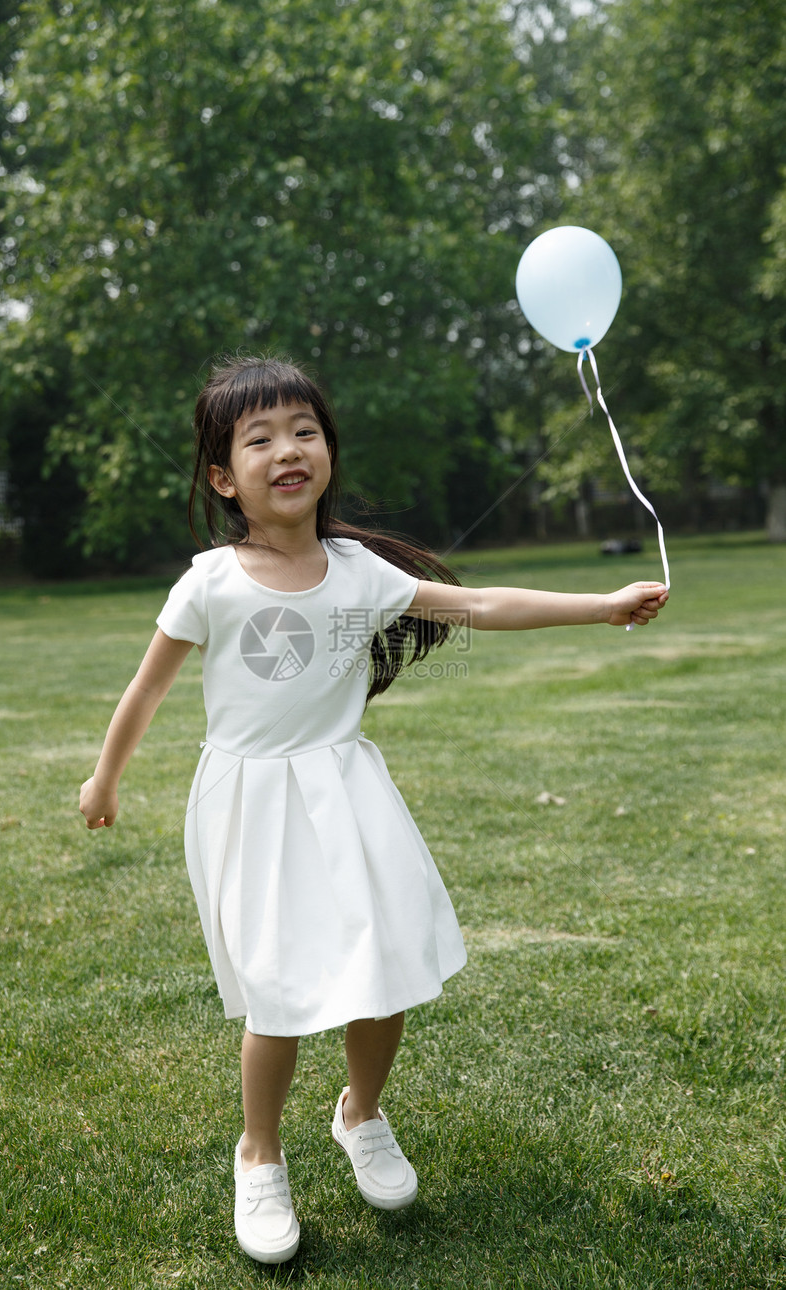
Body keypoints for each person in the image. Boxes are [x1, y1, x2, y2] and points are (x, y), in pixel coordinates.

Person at [79, 355, 668, 1264]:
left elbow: (478, 602)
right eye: (260, 437)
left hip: (348, 793)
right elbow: (146, 691)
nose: (288, 449)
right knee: (274, 991)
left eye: (305, 431)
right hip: (252, 803)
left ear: (328, 453)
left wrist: (603, 605)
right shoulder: (210, 583)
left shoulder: (359, 572)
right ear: (222, 476)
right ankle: (260, 1152)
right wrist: (105, 779)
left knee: (385, 967)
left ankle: (360, 1113)